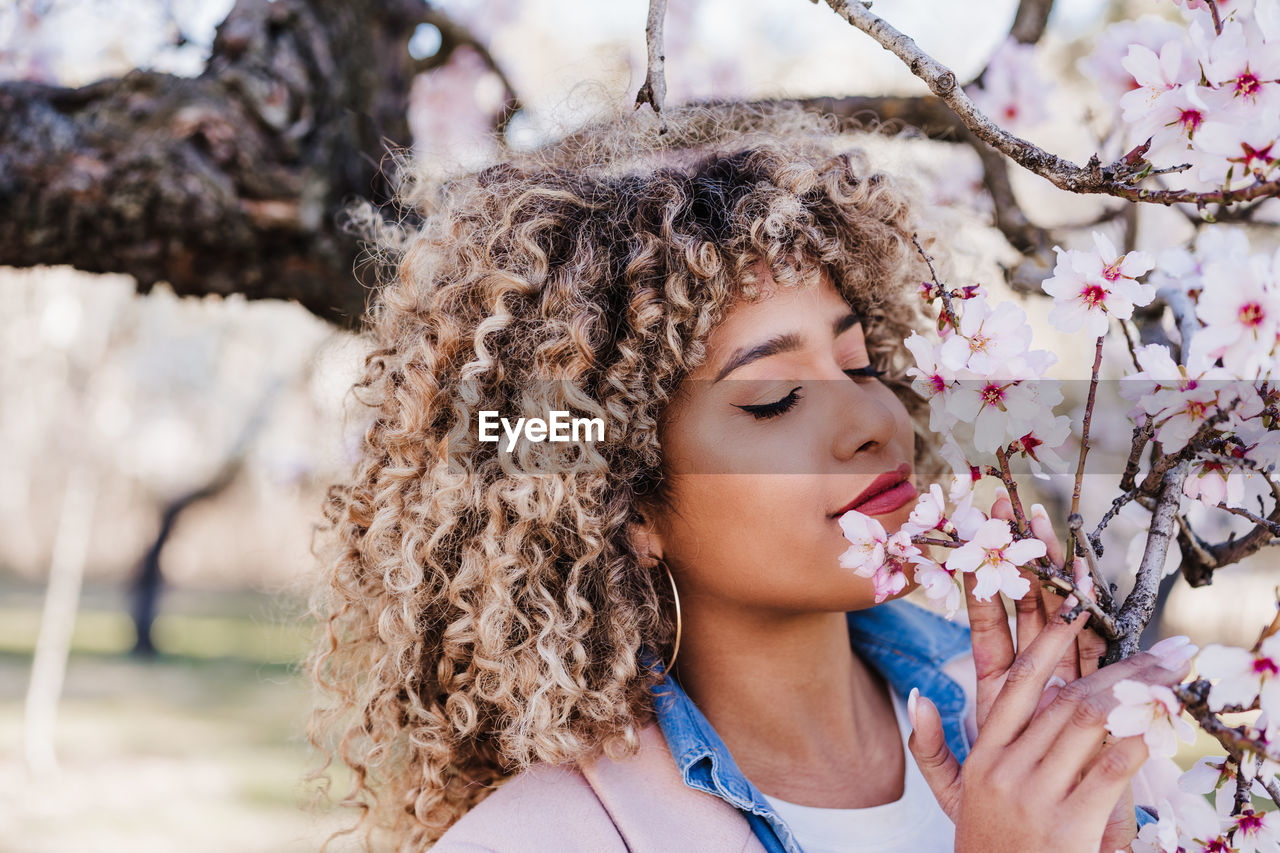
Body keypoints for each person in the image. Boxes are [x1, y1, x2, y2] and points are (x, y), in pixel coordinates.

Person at [306, 102, 1190, 852]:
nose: (874, 422)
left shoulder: (1038, 723)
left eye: (861, 362)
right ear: (623, 499)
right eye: (773, 400)